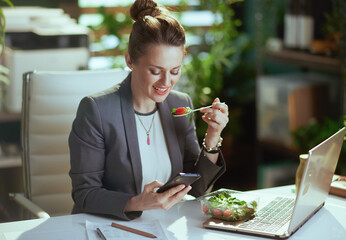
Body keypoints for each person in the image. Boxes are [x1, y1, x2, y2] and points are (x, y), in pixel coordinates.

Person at [69, 0, 229, 221]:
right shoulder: (96, 111)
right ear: (130, 60)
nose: (166, 81)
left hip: (163, 227)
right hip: (109, 227)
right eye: (155, 71)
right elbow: (84, 194)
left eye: (175, 71)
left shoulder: (180, 106)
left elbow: (198, 188)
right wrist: (137, 203)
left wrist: (213, 137)